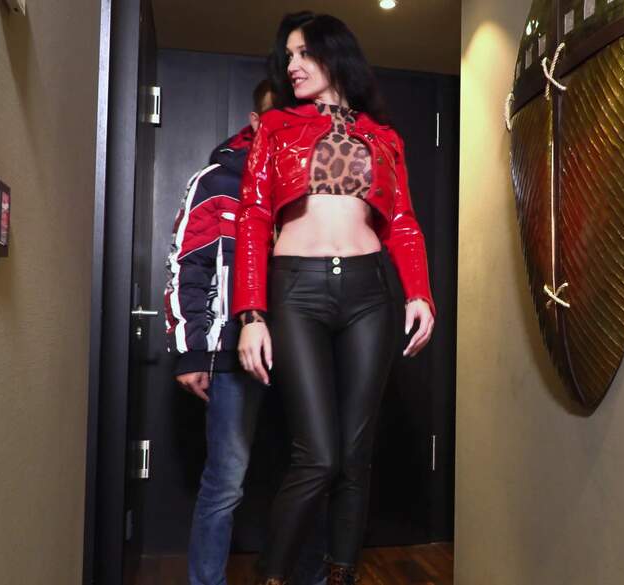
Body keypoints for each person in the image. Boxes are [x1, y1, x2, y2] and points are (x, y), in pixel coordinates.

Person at [232, 12, 436, 585]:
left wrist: (419, 294)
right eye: (288, 56)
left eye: (304, 53)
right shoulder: (275, 127)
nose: (292, 65)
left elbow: (403, 221)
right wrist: (252, 314)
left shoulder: (384, 136)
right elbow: (252, 218)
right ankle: (273, 577)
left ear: (335, 54)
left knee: (354, 454)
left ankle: (341, 575)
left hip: (370, 292)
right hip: (297, 290)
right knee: (317, 454)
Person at [165, 80, 327, 585]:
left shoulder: (319, 180)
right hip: (233, 353)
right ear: (257, 123)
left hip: (304, 350)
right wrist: (193, 352)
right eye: (278, 119)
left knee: (313, 471)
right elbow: (187, 265)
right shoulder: (217, 181)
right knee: (226, 483)